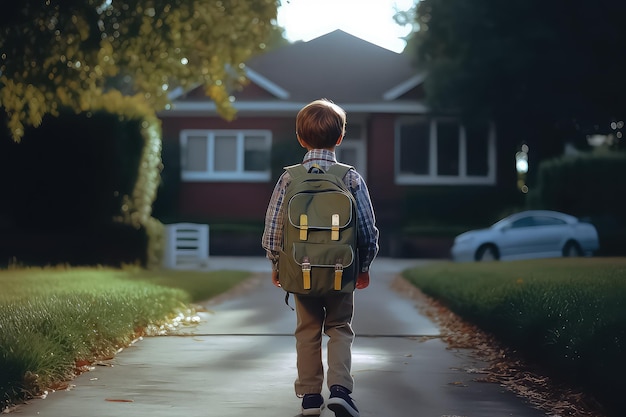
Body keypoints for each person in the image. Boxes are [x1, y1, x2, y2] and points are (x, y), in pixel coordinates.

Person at [262, 98, 379, 417]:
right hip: (342, 271)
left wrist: (277, 264)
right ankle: (340, 390)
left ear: (300, 138)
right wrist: (364, 266)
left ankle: (310, 397)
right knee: (340, 327)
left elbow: (273, 226)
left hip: (301, 270)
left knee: (307, 330)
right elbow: (367, 228)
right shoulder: (350, 177)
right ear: (341, 138)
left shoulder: (290, 177)